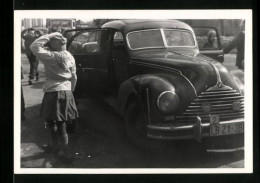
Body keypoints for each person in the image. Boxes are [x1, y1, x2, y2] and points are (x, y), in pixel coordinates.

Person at [30, 32, 79, 162]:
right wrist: (70, 92)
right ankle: (56, 147)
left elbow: (34, 46)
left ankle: (67, 154)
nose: (47, 46)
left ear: (53, 44)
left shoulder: (50, 56)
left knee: (56, 124)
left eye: (49, 43)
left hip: (54, 92)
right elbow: (74, 77)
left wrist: (52, 34)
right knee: (54, 122)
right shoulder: (69, 56)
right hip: (66, 91)